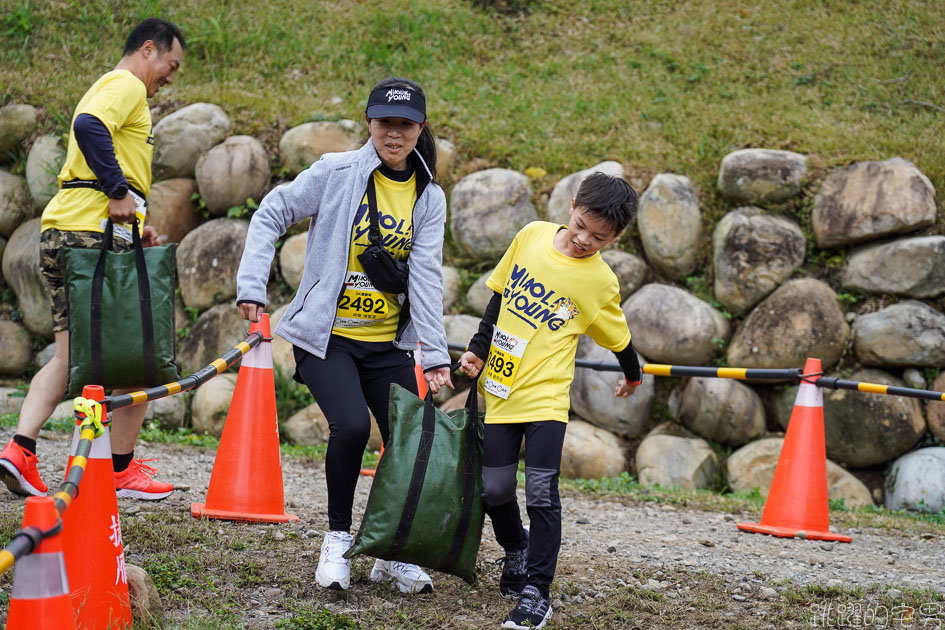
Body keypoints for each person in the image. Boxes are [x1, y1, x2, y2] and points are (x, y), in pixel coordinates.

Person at [236, 77, 453, 594]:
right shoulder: (335, 172)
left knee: (406, 440)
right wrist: (252, 283)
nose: (393, 134)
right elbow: (273, 212)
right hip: (325, 338)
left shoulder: (428, 197)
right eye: (384, 123)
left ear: (420, 128)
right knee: (352, 425)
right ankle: (336, 539)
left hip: (386, 345)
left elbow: (425, 278)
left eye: (405, 125)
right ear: (369, 122)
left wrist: (436, 353)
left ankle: (389, 552)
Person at [0, 19, 185, 501]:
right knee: (137, 355)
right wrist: (118, 191)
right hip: (90, 236)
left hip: (67, 229)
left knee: (70, 356)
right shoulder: (125, 84)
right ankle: (120, 468)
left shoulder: (113, 86)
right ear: (149, 49)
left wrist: (130, 217)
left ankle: (19, 450)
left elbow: (95, 144)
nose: (170, 76)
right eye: (171, 64)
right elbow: (88, 127)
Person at [458, 172, 643, 629]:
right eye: (580, 225)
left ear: (616, 237)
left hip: (546, 400)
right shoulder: (531, 237)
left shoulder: (599, 281)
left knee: (541, 495)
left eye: (599, 237)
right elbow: (498, 302)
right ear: (572, 205)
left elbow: (618, 336)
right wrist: (478, 350)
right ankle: (517, 549)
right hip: (501, 393)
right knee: (495, 490)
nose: (584, 239)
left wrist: (633, 374)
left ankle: (538, 593)